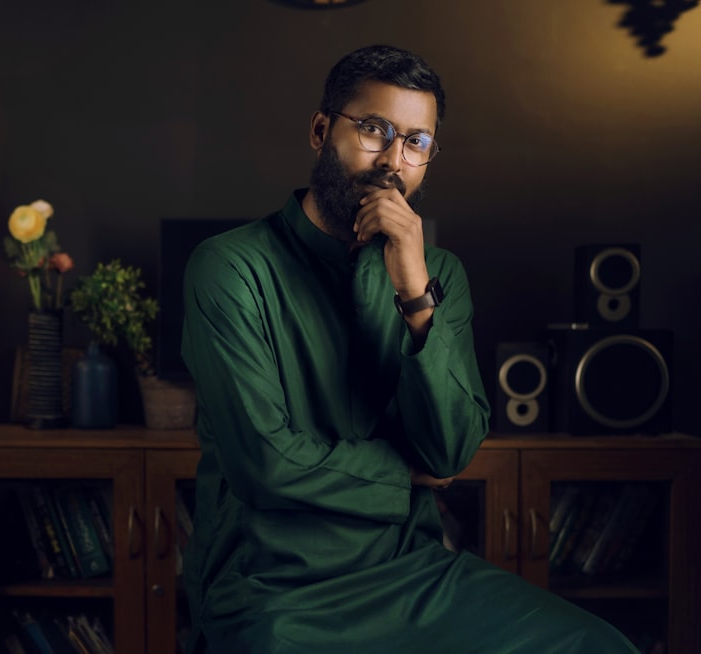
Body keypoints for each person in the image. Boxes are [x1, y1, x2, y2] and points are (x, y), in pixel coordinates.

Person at [179, 44, 638, 653]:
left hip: (411, 570)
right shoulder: (231, 267)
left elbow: (449, 449)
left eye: (417, 142)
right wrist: (409, 475)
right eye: (374, 129)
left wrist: (414, 293)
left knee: (596, 646)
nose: (393, 161)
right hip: (273, 587)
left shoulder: (436, 272)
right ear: (321, 130)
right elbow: (266, 463)